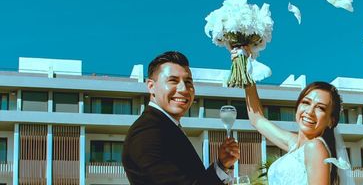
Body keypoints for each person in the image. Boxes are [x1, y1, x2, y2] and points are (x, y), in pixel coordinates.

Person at [235, 48, 351, 185]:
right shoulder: (295, 145)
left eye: (320, 108)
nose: (310, 111)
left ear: (331, 121)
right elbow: (257, 119)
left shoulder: (315, 147)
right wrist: (244, 65)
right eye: (306, 103)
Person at [123, 51, 240, 185]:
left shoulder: (166, 127)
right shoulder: (147, 132)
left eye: (188, 82)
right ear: (151, 86)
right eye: (173, 80)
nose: (184, 89)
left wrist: (222, 165)